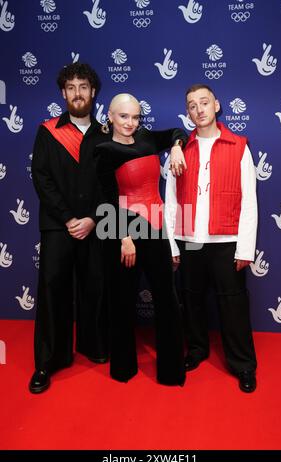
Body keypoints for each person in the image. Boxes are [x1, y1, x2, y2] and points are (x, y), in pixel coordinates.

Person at [165, 83, 258, 392]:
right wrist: (171, 242)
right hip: (190, 239)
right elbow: (170, 200)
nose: (199, 109)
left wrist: (245, 246)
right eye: (192, 105)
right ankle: (196, 350)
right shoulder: (181, 149)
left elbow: (249, 201)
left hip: (226, 240)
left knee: (233, 305)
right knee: (191, 300)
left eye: (204, 102)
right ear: (188, 112)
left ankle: (243, 364)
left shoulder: (239, 146)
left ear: (217, 105)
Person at [94, 93, 187, 386]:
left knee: (167, 300)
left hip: (155, 227)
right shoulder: (104, 150)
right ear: (110, 116)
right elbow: (105, 199)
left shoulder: (146, 138)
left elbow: (177, 132)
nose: (131, 123)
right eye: (124, 117)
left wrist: (176, 147)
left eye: (136, 117)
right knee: (121, 302)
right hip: (123, 231)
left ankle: (171, 372)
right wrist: (123, 237)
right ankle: (123, 369)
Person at [29, 63, 110, 394]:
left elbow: (110, 182)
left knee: (96, 288)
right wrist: (67, 218)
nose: (78, 93)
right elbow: (42, 178)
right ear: (63, 93)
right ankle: (48, 361)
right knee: (53, 293)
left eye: (84, 86)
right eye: (71, 87)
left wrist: (92, 217)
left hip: (95, 226)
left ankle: (95, 346)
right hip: (57, 227)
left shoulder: (106, 135)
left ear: (93, 92)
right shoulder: (47, 131)